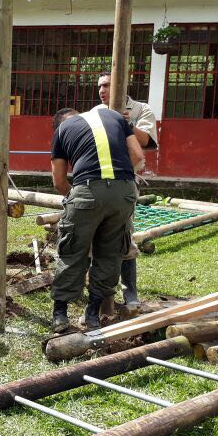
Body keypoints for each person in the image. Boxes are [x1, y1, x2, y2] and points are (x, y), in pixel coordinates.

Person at [50, 105, 144, 332]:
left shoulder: (62, 130)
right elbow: (138, 156)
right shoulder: (115, 117)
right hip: (124, 192)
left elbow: (59, 182)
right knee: (111, 253)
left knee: (72, 250)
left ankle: (60, 315)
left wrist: (78, 198)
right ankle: (92, 314)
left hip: (87, 190)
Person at [95, 71, 157, 305]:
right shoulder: (95, 113)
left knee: (123, 234)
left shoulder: (141, 110)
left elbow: (145, 141)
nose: (102, 90)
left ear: (121, 86)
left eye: (108, 85)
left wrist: (124, 121)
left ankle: (129, 291)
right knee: (95, 235)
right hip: (97, 180)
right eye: (100, 86)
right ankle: (99, 293)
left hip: (124, 180)